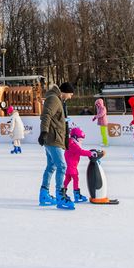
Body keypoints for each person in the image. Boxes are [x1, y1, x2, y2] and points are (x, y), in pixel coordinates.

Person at [39, 82, 76, 210]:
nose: (70, 97)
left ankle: (44, 195)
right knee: (62, 166)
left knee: (51, 166)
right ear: (64, 92)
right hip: (52, 139)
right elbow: (46, 115)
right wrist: (44, 132)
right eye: (70, 94)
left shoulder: (57, 99)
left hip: (54, 138)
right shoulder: (54, 99)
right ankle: (60, 196)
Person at [63, 127, 94, 203]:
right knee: (75, 179)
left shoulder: (70, 143)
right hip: (72, 166)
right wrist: (91, 153)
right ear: (75, 137)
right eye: (80, 139)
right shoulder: (72, 144)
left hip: (70, 166)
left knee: (68, 179)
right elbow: (80, 151)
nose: (81, 141)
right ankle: (76, 195)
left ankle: (62, 192)